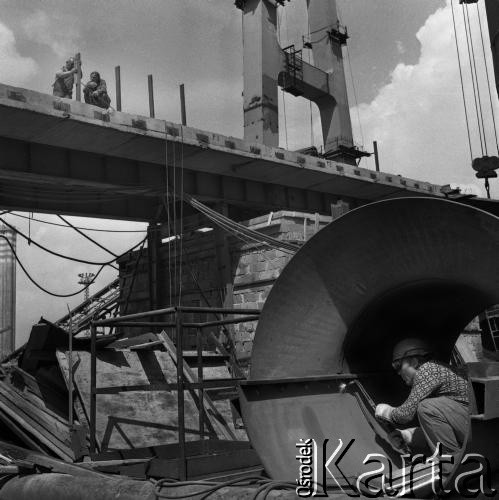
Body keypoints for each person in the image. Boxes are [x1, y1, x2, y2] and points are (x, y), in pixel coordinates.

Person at [375, 338, 470, 484]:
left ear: (413, 361)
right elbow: (440, 428)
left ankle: (451, 467)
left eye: (398, 365)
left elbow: (405, 415)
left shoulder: (428, 369)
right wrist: (406, 436)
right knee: (427, 409)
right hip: (468, 425)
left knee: (426, 407)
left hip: (470, 424)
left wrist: (386, 411)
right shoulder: (437, 371)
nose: (398, 372)